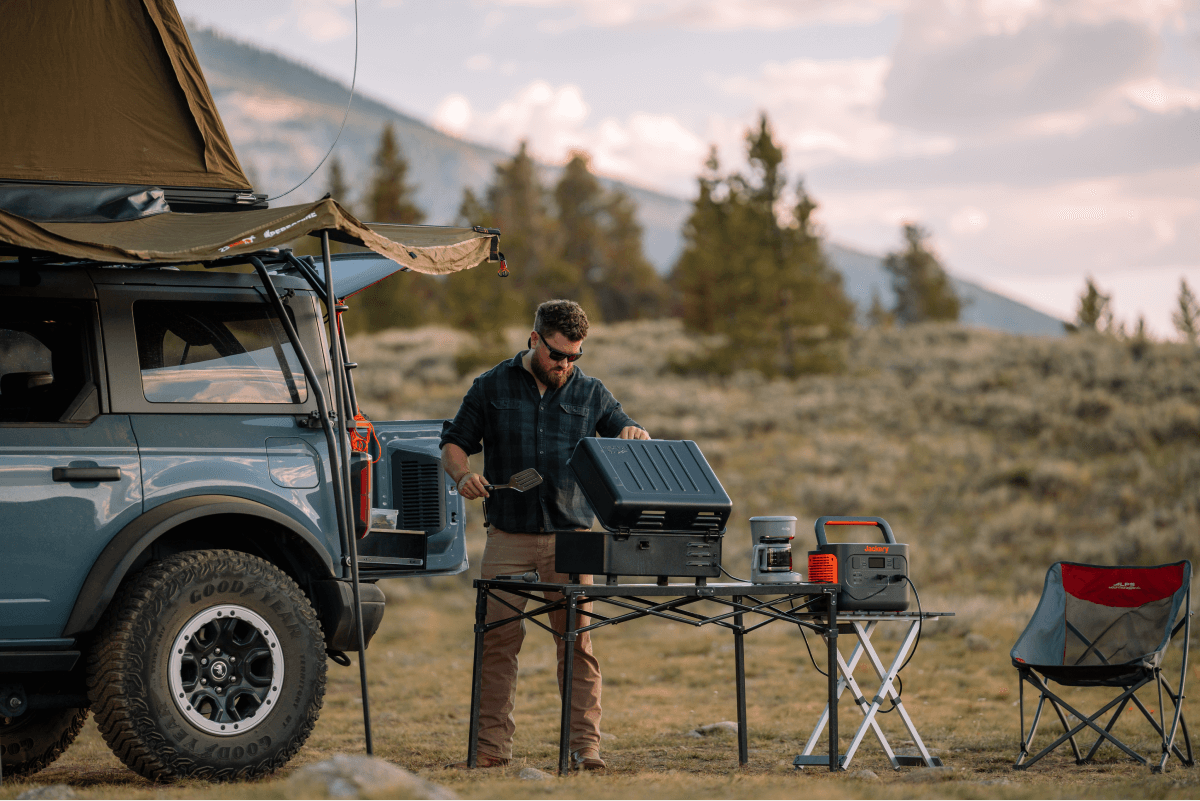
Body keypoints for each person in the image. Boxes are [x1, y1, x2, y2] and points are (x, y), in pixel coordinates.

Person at [440, 299, 650, 771]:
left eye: (575, 356)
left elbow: (624, 426)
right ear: (534, 340)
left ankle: (585, 749)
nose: (565, 365)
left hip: (572, 538)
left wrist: (633, 432)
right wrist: (461, 476)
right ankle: (490, 749)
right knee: (497, 642)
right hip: (508, 536)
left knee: (577, 644)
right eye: (558, 354)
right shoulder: (490, 386)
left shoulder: (592, 393)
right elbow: (454, 443)